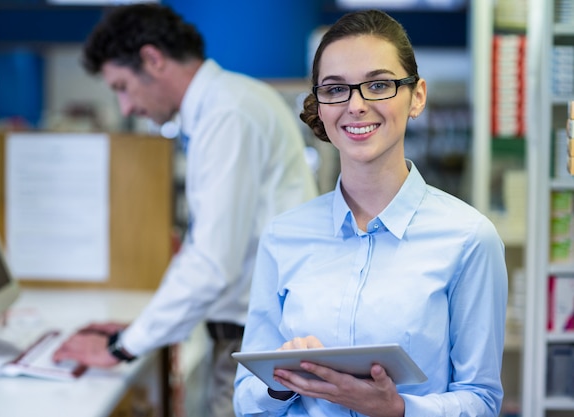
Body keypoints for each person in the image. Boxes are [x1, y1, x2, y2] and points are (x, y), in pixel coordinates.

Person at [233, 9, 508, 417]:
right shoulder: (283, 236)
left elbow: (482, 400)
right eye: (335, 89)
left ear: (417, 96)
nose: (356, 105)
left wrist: (399, 409)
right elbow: (245, 399)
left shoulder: (468, 239)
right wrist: (281, 384)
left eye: (378, 85)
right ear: (320, 106)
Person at [51, 4, 318, 417]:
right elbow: (207, 247)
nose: (125, 107)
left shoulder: (226, 113)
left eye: (122, 86)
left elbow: (213, 264)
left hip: (256, 342)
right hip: (245, 336)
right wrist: (138, 328)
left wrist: (122, 347)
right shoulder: (224, 104)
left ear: (153, 59)